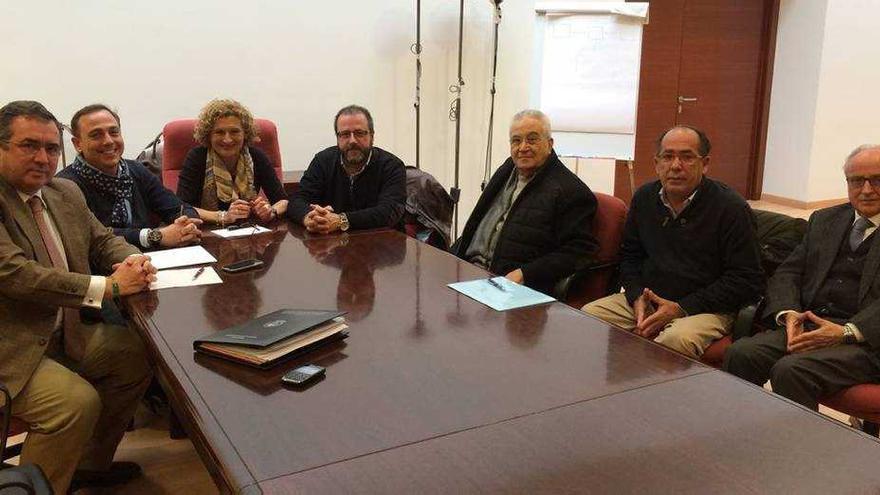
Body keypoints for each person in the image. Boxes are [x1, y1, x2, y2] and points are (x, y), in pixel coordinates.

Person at [0, 101, 156, 493]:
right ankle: (37, 489)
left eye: (52, 149)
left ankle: (88, 465)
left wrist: (135, 262)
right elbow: (16, 274)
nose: (43, 158)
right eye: (29, 145)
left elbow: (103, 242)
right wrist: (108, 287)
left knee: (136, 354)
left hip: (61, 334)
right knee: (73, 404)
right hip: (12, 346)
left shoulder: (63, 191)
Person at [583, 125, 764, 358]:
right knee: (588, 317)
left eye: (687, 157)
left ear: (705, 163)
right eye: (667, 157)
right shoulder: (644, 198)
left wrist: (682, 307)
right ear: (657, 163)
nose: (676, 166)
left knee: (674, 341)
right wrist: (636, 295)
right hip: (648, 300)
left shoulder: (731, 208)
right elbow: (630, 256)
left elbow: (747, 279)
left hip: (704, 308)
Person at [724, 145, 880, 410]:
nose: (866, 189)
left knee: (791, 370)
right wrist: (788, 313)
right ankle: (741, 437)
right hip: (810, 324)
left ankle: (800, 450)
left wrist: (847, 332)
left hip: (868, 342)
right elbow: (789, 271)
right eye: (856, 181)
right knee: (742, 353)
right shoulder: (825, 220)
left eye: (876, 180)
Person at [450, 109, 598, 296]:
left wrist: (524, 274)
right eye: (516, 140)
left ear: (550, 144)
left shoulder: (571, 191)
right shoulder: (508, 169)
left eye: (532, 139)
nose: (523, 147)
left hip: (510, 287)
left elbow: (579, 252)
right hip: (470, 272)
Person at [57, 104, 202, 250]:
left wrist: (186, 224)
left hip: (152, 261)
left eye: (114, 132)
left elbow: (177, 207)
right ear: (78, 144)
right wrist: (154, 236)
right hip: (107, 269)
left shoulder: (136, 169)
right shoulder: (64, 186)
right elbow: (92, 236)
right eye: (96, 135)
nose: (108, 141)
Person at [288, 104, 405, 234]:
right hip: (332, 246)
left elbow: (389, 211)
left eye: (359, 133)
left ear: (372, 136)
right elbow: (297, 199)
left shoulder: (392, 166)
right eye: (345, 134)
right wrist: (309, 218)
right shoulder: (323, 161)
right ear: (337, 138)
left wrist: (341, 220)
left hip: (382, 243)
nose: (352, 141)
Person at [177, 99, 288, 226]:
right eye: (219, 132)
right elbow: (181, 207)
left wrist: (271, 211)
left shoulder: (257, 156)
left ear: (245, 134)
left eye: (234, 132)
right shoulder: (197, 157)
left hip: (249, 233)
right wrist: (223, 217)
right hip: (206, 232)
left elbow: (283, 201)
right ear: (209, 135)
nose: (227, 139)